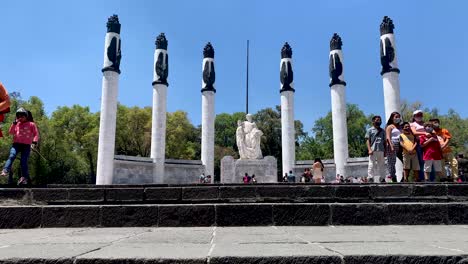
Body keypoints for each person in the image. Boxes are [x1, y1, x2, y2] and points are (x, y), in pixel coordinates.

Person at [1, 108, 39, 185]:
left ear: (26, 116)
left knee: (23, 162)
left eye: (22, 116)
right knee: (12, 156)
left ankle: (24, 178)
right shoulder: (17, 124)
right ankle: (5, 170)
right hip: (16, 145)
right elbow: (11, 132)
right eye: (18, 116)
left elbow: (36, 134)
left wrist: (34, 142)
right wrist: (14, 124)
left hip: (26, 146)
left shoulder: (31, 124)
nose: (20, 118)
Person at [410, 110, 430, 181]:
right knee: (421, 161)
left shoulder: (425, 123)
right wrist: (424, 133)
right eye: (418, 115)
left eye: (420, 115)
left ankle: (431, 178)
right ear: (414, 116)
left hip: (428, 143)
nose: (419, 116)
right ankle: (422, 178)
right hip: (419, 143)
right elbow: (414, 132)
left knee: (429, 160)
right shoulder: (412, 124)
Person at [366, 116, 386, 183]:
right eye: (377, 120)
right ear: (373, 121)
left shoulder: (383, 131)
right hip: (373, 150)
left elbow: (384, 141)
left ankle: (382, 178)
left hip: (381, 150)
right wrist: (369, 149)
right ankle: (370, 178)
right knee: (371, 164)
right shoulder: (370, 130)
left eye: (380, 120)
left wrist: (385, 150)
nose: (379, 121)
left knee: (382, 165)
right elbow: (367, 140)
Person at [385, 112, 402, 182]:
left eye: (399, 117)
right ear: (392, 118)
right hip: (392, 144)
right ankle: (393, 176)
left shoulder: (400, 127)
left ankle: (404, 177)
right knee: (392, 162)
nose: (397, 118)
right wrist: (391, 146)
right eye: (396, 117)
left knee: (404, 161)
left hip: (401, 145)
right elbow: (388, 137)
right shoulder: (389, 126)